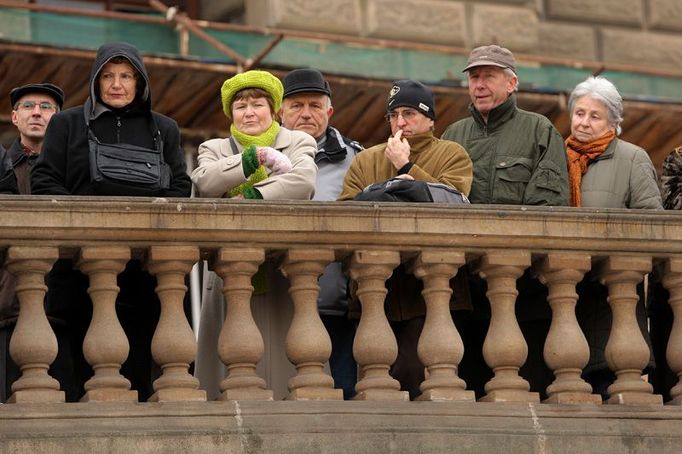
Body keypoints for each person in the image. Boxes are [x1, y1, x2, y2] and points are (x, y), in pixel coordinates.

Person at [31, 42, 191, 401]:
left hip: (144, 274)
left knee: (141, 373)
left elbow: (182, 187)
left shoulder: (164, 129)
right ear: (95, 81)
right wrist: (90, 220)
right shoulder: (66, 123)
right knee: (73, 378)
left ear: (140, 82)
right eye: (107, 76)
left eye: (125, 76)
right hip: (75, 272)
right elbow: (44, 181)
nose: (116, 84)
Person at [440, 45, 570, 399]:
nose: (479, 85)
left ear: (512, 83)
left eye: (489, 77)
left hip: (524, 296)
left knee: (529, 397)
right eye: (474, 77)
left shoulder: (538, 130)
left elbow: (550, 209)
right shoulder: (453, 136)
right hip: (463, 298)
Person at [339, 79, 473, 399]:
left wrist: (407, 167)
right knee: (377, 394)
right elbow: (344, 216)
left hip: (430, 297)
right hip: (376, 296)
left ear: (429, 119)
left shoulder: (452, 154)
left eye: (409, 113)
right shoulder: (366, 159)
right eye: (394, 115)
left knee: (434, 393)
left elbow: (456, 206)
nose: (400, 122)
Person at [192, 70, 317, 400]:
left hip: (283, 272)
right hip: (228, 273)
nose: (248, 112)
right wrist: (253, 158)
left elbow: (303, 183)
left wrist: (250, 197)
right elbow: (205, 183)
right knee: (230, 375)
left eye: (257, 104)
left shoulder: (299, 141)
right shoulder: (214, 148)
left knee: (289, 368)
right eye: (240, 106)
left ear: (274, 109)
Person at [566, 76, 662, 399]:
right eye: (579, 113)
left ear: (614, 123)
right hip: (565, 299)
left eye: (595, 116)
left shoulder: (633, 159)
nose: (584, 123)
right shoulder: (556, 159)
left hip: (613, 304)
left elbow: (654, 228)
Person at [279, 68, 362, 399]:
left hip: (337, 306)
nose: (306, 114)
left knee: (345, 400)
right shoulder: (260, 156)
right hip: (276, 304)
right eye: (296, 106)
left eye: (315, 105)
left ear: (329, 112)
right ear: (280, 112)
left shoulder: (356, 158)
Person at [0, 83, 65, 402]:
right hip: (6, 308)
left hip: (62, 309)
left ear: (60, 118)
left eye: (46, 106)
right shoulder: (2, 166)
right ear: (14, 117)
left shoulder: (72, 167)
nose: (37, 112)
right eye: (28, 106)